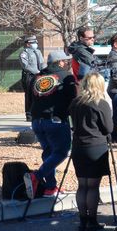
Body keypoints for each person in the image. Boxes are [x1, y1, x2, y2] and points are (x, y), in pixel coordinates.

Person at [24, 50, 78, 198]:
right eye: (65, 61)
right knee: (61, 152)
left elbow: (30, 99)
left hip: (37, 121)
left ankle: (50, 187)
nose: (67, 63)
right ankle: (36, 176)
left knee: (48, 153)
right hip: (55, 120)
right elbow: (73, 99)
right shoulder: (66, 76)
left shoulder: (37, 77)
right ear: (59, 62)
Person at [69, 72, 113, 231]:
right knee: (93, 186)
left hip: (78, 146)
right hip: (96, 146)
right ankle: (92, 221)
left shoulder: (75, 103)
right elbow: (108, 128)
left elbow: (72, 124)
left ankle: (83, 221)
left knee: (82, 185)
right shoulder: (101, 103)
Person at [19, 36, 45, 122]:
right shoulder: (24, 53)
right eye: (33, 43)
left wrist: (44, 71)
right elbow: (25, 66)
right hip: (29, 76)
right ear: (28, 44)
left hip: (39, 76)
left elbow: (42, 63)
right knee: (29, 95)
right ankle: (29, 114)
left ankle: (38, 113)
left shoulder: (38, 52)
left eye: (35, 42)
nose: (35, 44)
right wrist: (37, 72)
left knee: (38, 94)